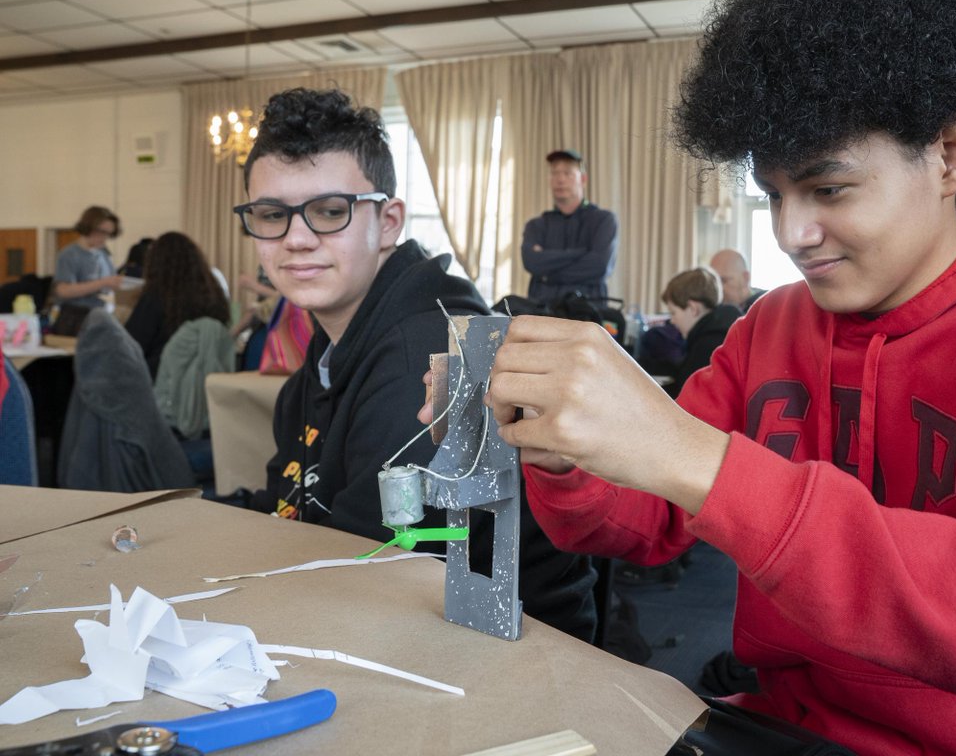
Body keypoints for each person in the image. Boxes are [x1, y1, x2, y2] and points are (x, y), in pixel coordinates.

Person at [469, 0, 956, 752]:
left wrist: (699, 458)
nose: (791, 234)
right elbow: (642, 525)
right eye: (775, 194)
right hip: (781, 726)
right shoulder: (768, 329)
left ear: (950, 155)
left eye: (828, 190)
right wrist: (560, 448)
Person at [243, 88, 596, 642]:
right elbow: (288, 507)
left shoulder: (427, 354)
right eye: (271, 215)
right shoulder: (320, 362)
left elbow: (368, 560)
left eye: (330, 211)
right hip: (381, 620)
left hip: (512, 655)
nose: (296, 239)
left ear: (388, 222)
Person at [124, 232, 230, 379]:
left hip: (159, 380)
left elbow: (130, 345)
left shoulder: (155, 298)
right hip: (203, 379)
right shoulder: (214, 296)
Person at [520, 149, 618, 305]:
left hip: (587, 315)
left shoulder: (603, 220)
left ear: (583, 179)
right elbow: (532, 262)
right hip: (542, 315)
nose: (560, 179)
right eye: (554, 173)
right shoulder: (536, 225)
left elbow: (599, 266)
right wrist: (580, 253)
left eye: (568, 173)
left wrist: (547, 275)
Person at [660, 266, 739, 399]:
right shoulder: (720, 332)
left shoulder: (707, 347)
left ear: (693, 308)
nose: (672, 321)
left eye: (673, 313)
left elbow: (684, 398)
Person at [53, 206, 123, 309]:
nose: (105, 238)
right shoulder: (69, 254)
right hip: (78, 315)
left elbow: (110, 282)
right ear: (88, 227)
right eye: (102, 232)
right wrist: (103, 283)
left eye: (109, 234)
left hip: (103, 311)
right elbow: (63, 291)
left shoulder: (104, 254)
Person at [708, 249, 765, 314]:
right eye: (714, 282)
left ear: (745, 278)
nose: (718, 289)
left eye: (723, 281)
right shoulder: (711, 309)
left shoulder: (765, 305)